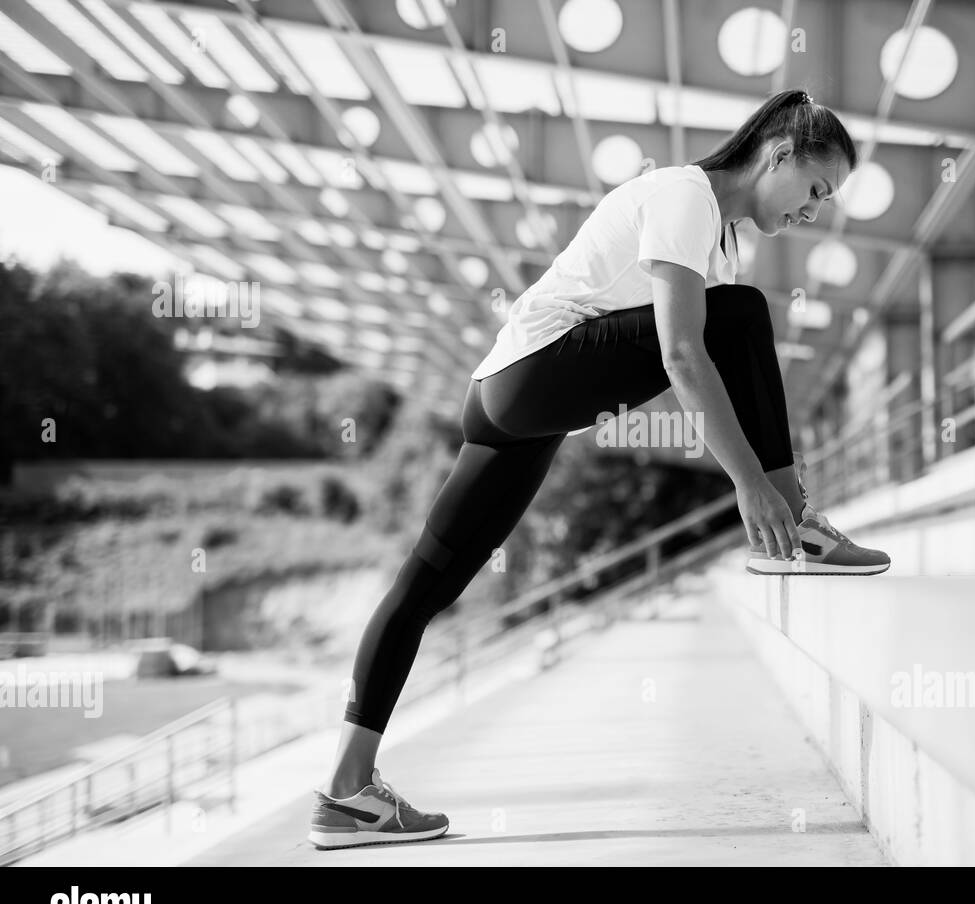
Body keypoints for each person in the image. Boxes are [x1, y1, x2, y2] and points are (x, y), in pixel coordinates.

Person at [308, 88, 892, 850]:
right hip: (531, 377)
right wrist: (753, 485)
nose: (814, 211)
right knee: (741, 317)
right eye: (815, 189)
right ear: (778, 154)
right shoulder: (686, 195)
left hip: (508, 401)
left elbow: (694, 361)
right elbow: (683, 354)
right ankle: (797, 524)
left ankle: (348, 792)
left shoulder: (717, 234)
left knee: (427, 585)